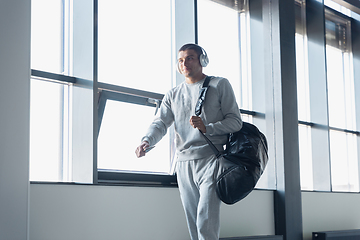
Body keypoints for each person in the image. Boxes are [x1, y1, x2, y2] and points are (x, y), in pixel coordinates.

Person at [135, 43, 242, 240]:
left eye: (190, 58)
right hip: (183, 163)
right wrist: (146, 140)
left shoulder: (220, 85)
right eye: (181, 60)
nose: (184, 63)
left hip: (211, 159)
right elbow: (160, 122)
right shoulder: (173, 94)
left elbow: (235, 122)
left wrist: (208, 128)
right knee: (193, 224)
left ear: (203, 60)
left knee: (205, 221)